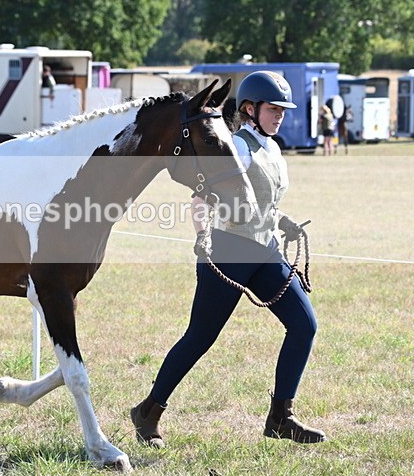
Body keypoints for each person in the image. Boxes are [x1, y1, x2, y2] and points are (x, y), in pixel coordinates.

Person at [130, 71, 326, 447]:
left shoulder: (271, 146)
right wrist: (202, 235)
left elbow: (261, 201)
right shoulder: (231, 145)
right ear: (250, 109)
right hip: (228, 249)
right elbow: (201, 197)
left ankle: (280, 417)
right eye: (274, 108)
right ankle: (148, 411)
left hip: (265, 249)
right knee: (200, 337)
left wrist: (282, 221)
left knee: (304, 325)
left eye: (283, 109)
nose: (280, 115)